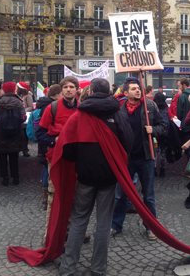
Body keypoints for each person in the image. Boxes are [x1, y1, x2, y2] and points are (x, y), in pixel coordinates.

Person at [59, 78, 134, 276]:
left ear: (90, 90)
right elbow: (128, 141)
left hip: (84, 176)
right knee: (103, 223)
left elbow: (66, 146)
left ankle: (68, 268)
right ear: (109, 91)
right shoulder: (117, 113)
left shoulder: (79, 114)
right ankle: (98, 268)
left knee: (78, 220)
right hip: (109, 176)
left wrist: (78, 159)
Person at [110, 79, 165, 241]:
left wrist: (153, 129)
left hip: (146, 158)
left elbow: (163, 125)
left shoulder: (150, 106)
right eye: (134, 89)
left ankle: (150, 227)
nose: (138, 91)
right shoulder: (119, 109)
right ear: (125, 93)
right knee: (120, 195)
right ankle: (116, 225)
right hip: (126, 159)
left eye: (138, 88)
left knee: (148, 195)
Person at [35, 76, 81, 239]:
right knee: (54, 198)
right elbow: (39, 133)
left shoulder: (82, 109)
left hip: (77, 160)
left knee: (74, 197)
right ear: (62, 90)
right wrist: (55, 140)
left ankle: (70, 232)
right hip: (56, 159)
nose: (68, 89)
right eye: (66, 87)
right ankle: (52, 235)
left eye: (71, 87)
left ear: (77, 90)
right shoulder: (52, 108)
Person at [0, 82, 27, 186]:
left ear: (3, 90)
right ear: (14, 90)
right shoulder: (19, 102)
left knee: (2, 157)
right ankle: (15, 178)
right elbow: (24, 118)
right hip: (16, 133)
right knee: (14, 156)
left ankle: (4, 178)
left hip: (1, 133)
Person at [35, 84, 62, 209]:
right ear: (57, 94)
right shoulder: (52, 106)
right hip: (49, 141)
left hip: (45, 141)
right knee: (47, 167)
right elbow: (41, 129)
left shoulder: (43, 103)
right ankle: (47, 197)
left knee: (45, 167)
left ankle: (45, 197)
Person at [177, 77, 190, 159]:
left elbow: (179, 113)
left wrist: (183, 120)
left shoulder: (182, 96)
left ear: (184, 85)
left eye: (179, 85)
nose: (179, 87)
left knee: (189, 149)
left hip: (186, 125)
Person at [153, 92, 170, 178]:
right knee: (163, 153)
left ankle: (154, 170)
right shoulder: (166, 108)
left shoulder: (153, 108)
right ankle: (162, 170)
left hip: (155, 135)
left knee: (155, 153)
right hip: (164, 134)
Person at [16, 82, 33, 157]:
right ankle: (17, 149)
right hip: (17, 117)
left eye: (17, 86)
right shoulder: (16, 96)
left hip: (24, 117)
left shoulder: (28, 96)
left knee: (24, 134)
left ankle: (25, 149)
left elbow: (31, 107)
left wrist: (23, 111)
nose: (16, 88)